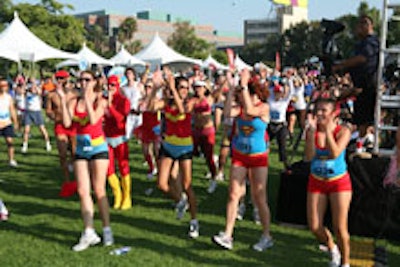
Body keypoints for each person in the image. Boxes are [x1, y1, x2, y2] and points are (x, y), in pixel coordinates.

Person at [213, 69, 273, 251]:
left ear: (258, 95)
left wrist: (245, 85)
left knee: (258, 197)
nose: (246, 96)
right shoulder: (240, 108)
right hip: (240, 155)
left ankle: (266, 235)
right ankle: (228, 234)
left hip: (258, 157)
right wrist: (232, 90)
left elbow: (250, 110)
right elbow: (226, 114)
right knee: (233, 194)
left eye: (251, 93)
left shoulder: (263, 108)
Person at [58, 70, 113, 252]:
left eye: (87, 80)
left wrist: (88, 97)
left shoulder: (100, 100)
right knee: (82, 190)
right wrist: (64, 102)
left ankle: (106, 230)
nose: (83, 83)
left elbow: (93, 118)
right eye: (80, 79)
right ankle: (89, 231)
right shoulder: (74, 101)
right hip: (81, 148)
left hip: (98, 147)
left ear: (94, 81)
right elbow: (66, 123)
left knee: (99, 190)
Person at [150, 69, 199, 238]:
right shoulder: (166, 102)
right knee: (162, 184)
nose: (185, 90)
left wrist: (172, 87)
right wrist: (155, 89)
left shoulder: (191, 101)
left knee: (187, 185)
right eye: (182, 87)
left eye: (186, 87)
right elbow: (149, 107)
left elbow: (182, 111)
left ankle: (194, 221)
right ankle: (180, 201)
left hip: (185, 147)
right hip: (168, 145)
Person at [305, 98, 352, 267]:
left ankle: (345, 263)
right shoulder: (314, 130)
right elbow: (309, 157)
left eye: (324, 110)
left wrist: (327, 131)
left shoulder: (343, 131)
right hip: (316, 181)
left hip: (338, 183)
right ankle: (332, 248)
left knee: (340, 227)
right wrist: (311, 134)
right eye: (317, 110)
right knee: (314, 226)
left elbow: (335, 153)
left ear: (334, 114)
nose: (319, 114)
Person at [332, 14, 379, 138]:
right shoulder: (361, 43)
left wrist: (341, 65)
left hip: (368, 84)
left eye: (360, 25)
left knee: (365, 120)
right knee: (360, 119)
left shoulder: (371, 41)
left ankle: (363, 143)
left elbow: (362, 58)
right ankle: (360, 141)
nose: (357, 29)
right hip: (360, 84)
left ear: (367, 26)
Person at [46, 70, 78, 197]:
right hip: (60, 126)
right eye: (58, 78)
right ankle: (67, 181)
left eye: (62, 78)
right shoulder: (51, 95)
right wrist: (54, 116)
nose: (60, 81)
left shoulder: (74, 94)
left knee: (75, 153)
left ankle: (77, 180)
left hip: (73, 126)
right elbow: (48, 110)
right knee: (62, 154)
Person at [103, 75, 132, 210]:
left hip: (120, 138)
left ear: (118, 86)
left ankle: (127, 196)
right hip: (107, 137)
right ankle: (117, 194)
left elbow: (120, 119)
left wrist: (110, 106)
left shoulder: (124, 100)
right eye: (108, 85)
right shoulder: (103, 100)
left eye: (113, 85)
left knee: (123, 167)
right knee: (109, 169)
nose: (110, 88)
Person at [192, 80, 218, 194]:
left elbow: (219, 91)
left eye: (200, 87)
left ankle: (213, 178)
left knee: (209, 157)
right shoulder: (192, 100)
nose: (197, 89)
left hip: (208, 131)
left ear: (204, 88)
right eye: (196, 87)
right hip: (196, 130)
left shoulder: (209, 99)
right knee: (191, 152)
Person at [136, 80, 161, 179]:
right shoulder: (141, 100)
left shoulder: (157, 100)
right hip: (145, 126)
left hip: (155, 127)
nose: (147, 89)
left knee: (156, 150)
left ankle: (159, 169)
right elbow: (139, 110)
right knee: (145, 150)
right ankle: (152, 167)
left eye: (150, 87)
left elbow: (154, 109)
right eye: (146, 87)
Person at [21, 77, 52, 153]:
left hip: (37, 112)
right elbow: (21, 90)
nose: (32, 88)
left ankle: (48, 143)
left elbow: (39, 92)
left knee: (42, 129)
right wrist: (25, 82)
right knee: (26, 130)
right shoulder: (27, 92)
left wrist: (34, 84)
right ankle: (25, 145)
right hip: (28, 112)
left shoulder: (37, 93)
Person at [123, 67, 145, 140]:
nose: (128, 75)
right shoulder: (123, 88)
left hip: (138, 112)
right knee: (128, 134)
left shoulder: (138, 85)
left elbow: (144, 96)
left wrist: (141, 103)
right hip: (129, 113)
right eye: (127, 74)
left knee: (139, 133)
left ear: (133, 75)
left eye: (130, 73)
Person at [0, 78, 18, 167]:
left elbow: (12, 110)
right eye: (2, 85)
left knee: (10, 142)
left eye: (5, 85)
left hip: (7, 123)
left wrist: (15, 122)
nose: (4, 87)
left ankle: (11, 160)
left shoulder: (9, 97)